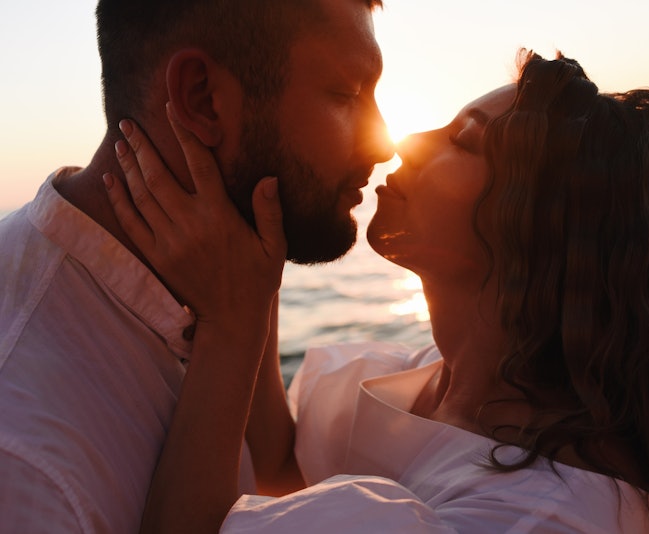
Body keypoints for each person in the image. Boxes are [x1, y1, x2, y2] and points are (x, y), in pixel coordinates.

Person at [106, 51, 649, 533]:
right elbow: (284, 467)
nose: (405, 144)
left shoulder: (536, 518)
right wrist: (253, 269)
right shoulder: (440, 385)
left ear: (531, 227)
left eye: (462, 140)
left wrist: (228, 324)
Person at [0, 0, 391, 532]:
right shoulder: (27, 464)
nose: (385, 142)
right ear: (202, 98)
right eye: (346, 94)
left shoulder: (236, 284)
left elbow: (277, 487)